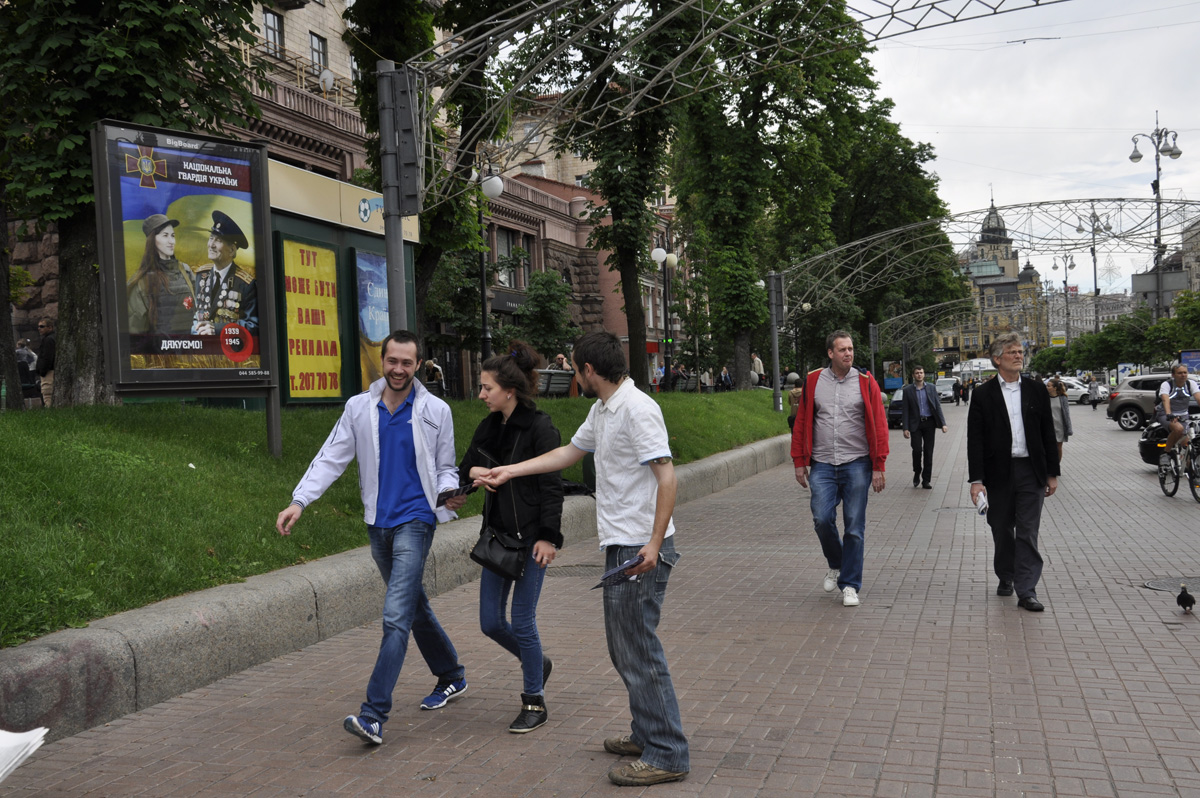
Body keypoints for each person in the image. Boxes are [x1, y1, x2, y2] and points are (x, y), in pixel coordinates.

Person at [476, 331, 689, 787]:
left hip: (641, 549)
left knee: (639, 650)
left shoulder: (637, 409)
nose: (575, 375)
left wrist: (653, 544)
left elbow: (667, 477)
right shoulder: (603, 409)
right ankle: (646, 733)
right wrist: (511, 469)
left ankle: (668, 752)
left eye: (575, 368)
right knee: (624, 648)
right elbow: (569, 453)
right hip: (623, 544)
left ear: (589, 370)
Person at [275, 330, 469, 746]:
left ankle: (374, 714)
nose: (399, 369)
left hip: (417, 521)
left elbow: (446, 464)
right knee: (413, 605)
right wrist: (300, 501)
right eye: (392, 361)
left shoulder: (436, 410)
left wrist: (449, 493)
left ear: (419, 365)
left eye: (407, 363)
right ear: (382, 362)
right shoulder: (359, 408)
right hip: (377, 523)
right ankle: (452, 675)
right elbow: (332, 455)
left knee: (396, 615)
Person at [457, 341, 563, 734]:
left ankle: (534, 700)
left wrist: (549, 538)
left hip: (533, 538)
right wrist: (476, 476)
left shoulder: (540, 427)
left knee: (522, 621)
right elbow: (465, 467)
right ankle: (537, 662)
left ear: (509, 391)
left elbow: (553, 486)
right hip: (498, 538)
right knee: (489, 623)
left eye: (486, 388)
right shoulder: (488, 426)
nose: (481, 394)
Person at [790, 330, 889, 608]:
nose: (849, 353)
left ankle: (850, 584)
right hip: (822, 462)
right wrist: (799, 461)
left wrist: (879, 465)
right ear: (831, 353)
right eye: (842, 349)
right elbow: (801, 423)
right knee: (822, 519)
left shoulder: (866, 382)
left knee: (855, 527)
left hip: (857, 462)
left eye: (851, 349)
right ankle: (837, 563)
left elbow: (879, 425)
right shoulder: (813, 381)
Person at [967, 332, 1058, 613]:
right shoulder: (983, 395)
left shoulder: (1036, 390)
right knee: (1001, 527)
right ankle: (1005, 574)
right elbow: (975, 439)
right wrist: (977, 480)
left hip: (1031, 470)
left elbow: (1048, 433)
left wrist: (1052, 473)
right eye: (1013, 352)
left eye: (1021, 352)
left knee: (1028, 531)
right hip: (999, 473)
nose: (1019, 356)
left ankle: (1026, 589)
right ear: (997, 359)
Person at [126, 213, 196, 336]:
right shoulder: (141, 282)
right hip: (160, 352)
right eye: (165, 235)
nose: (171, 241)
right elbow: (135, 331)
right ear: (153, 240)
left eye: (173, 236)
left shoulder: (186, 271)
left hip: (191, 351)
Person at [192, 210, 258, 335]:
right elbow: (195, 316)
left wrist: (217, 330)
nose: (211, 245)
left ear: (232, 250)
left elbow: (253, 326)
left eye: (218, 240)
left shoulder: (245, 284)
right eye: (211, 238)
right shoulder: (201, 275)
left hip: (229, 350)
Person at [901, 366, 947, 489]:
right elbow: (905, 410)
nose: (919, 375)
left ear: (924, 374)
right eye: (917, 373)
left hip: (929, 423)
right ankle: (917, 471)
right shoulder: (908, 390)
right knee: (916, 450)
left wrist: (943, 423)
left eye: (921, 372)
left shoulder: (931, 388)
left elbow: (937, 406)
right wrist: (905, 428)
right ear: (913, 375)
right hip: (915, 424)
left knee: (928, 452)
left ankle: (926, 480)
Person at [1158, 364, 1200, 467]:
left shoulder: (1191, 384)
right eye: (1180, 373)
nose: (1183, 375)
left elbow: (1198, 398)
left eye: (1185, 372)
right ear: (1173, 375)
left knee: (1188, 447)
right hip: (1165, 414)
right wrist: (1169, 414)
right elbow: (1165, 399)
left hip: (1183, 416)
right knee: (1178, 429)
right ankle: (1166, 453)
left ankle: (1193, 475)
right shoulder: (1167, 385)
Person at [1047, 378, 1073, 462]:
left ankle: (1057, 466)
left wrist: (1069, 428)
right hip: (1049, 427)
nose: (1046, 387)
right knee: (1049, 448)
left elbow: (1066, 414)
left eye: (1048, 386)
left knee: (1058, 448)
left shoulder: (1062, 398)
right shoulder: (1045, 398)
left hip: (1060, 427)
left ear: (1055, 388)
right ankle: (1050, 466)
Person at [35, 317, 55, 408]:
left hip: (48, 372)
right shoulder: (50, 338)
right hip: (49, 370)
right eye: (38, 326)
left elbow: (47, 357)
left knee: (47, 393)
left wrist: (42, 371)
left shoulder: (49, 340)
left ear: (50, 327)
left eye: (42, 326)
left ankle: (49, 412)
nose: (39, 328)